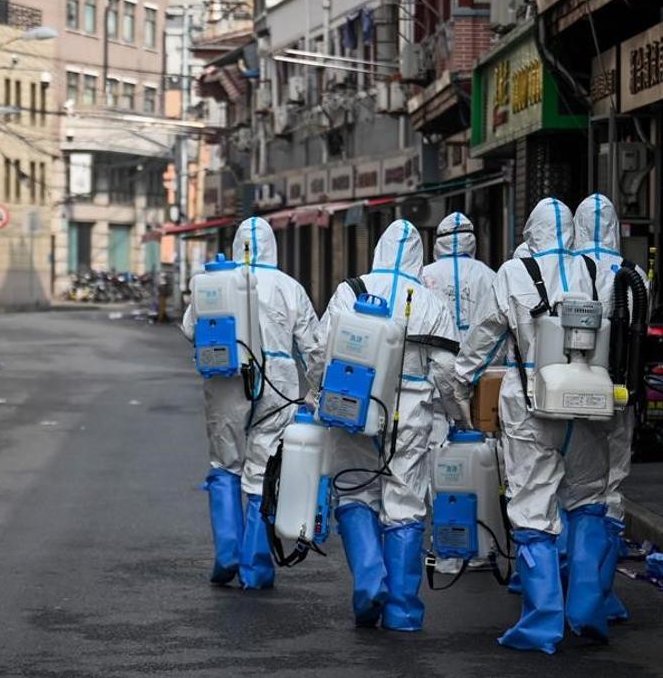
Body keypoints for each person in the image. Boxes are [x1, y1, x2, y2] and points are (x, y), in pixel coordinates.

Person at [443, 198, 612, 654]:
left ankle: (542, 625)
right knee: (589, 501)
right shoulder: (599, 271)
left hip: (531, 403)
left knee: (533, 507)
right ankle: (589, 610)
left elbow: (485, 336)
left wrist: (460, 385)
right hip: (590, 402)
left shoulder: (513, 274)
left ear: (532, 232)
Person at [306, 219, 457, 631]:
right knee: (404, 504)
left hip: (352, 407)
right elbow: (446, 371)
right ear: (418, 256)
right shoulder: (429, 302)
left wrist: (315, 395)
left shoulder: (350, 291)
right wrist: (456, 411)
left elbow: (320, 351)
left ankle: (370, 583)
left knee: (356, 493)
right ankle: (403, 611)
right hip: (409, 413)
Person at [182, 217, 318, 590]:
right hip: (278, 386)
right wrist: (316, 393)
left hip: (226, 384)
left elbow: (190, 330)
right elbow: (314, 348)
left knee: (225, 466)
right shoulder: (290, 288)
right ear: (273, 246)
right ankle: (255, 570)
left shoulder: (213, 282)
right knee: (263, 472)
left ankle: (227, 555)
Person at [572, 193, 649, 625]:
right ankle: (600, 590)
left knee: (575, 485)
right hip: (620, 395)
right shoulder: (634, 274)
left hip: (578, 393)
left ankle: (577, 587)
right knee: (611, 484)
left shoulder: (571, 270)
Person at [421, 212, 498, 446]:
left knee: (434, 448)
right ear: (473, 241)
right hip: (480, 378)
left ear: (438, 242)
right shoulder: (490, 276)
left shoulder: (424, 276)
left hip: (433, 381)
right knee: (481, 445)